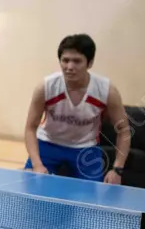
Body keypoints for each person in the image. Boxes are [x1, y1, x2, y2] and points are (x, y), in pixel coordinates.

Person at [23, 33, 130, 184]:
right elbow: (30, 128)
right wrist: (37, 165)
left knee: (90, 202)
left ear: (90, 63)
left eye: (77, 61)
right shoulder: (45, 87)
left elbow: (124, 130)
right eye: (65, 60)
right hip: (48, 144)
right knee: (31, 186)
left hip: (86, 149)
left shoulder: (107, 91)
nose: (69, 67)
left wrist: (117, 169)